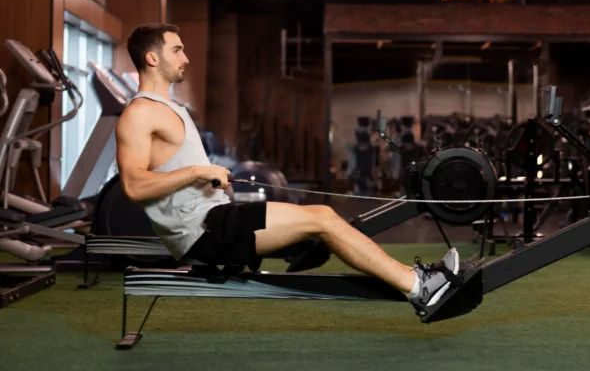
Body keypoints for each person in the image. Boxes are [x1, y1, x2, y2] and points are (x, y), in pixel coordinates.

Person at [115, 23, 460, 314]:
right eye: (177, 50)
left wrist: (210, 178)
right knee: (323, 218)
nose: (185, 57)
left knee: (319, 223)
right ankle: (420, 287)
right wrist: (196, 173)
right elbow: (132, 185)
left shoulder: (168, 107)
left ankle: (303, 247)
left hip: (216, 219)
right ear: (152, 57)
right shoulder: (141, 112)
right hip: (205, 232)